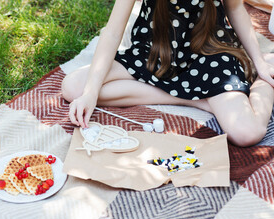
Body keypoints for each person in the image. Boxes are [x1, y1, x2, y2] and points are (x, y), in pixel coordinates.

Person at [61, 0, 274, 147]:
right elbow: (113, 31)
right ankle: (194, 100)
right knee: (74, 87)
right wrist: (90, 93)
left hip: (208, 55)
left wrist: (259, 63)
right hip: (155, 51)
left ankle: (261, 76)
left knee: (248, 133)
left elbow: (236, 9)